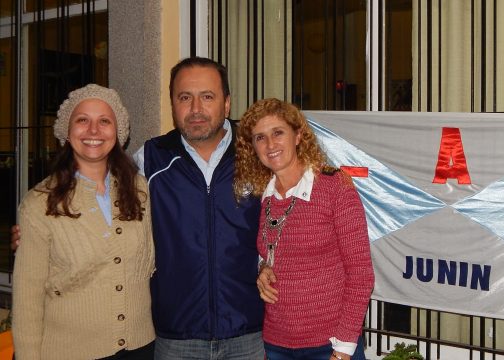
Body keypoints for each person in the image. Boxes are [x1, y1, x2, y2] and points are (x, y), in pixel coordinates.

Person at [11, 58, 264, 360]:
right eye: (184, 97)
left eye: (207, 96)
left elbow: (295, 208)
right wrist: (31, 239)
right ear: (172, 104)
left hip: (247, 332)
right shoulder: (149, 162)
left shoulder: (259, 155)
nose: (196, 108)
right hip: (174, 339)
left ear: (226, 103)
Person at [12, 84, 155, 359]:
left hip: (141, 347)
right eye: (82, 120)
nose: (93, 130)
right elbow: (27, 299)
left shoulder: (140, 190)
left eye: (104, 121)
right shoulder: (39, 204)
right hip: (70, 351)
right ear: (66, 131)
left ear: (118, 132)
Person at [233, 98, 375, 360]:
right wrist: (262, 270)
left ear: (298, 136)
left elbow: (361, 274)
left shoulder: (335, 187)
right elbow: (273, 253)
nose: (270, 144)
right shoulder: (262, 197)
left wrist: (343, 350)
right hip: (276, 344)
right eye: (260, 138)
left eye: (278, 133)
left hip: (331, 344)